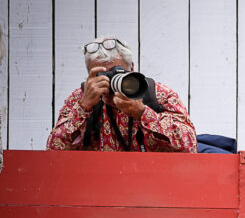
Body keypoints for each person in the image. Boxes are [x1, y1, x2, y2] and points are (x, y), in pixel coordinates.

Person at [48, 37, 196, 153]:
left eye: (115, 71)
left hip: (152, 182)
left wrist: (142, 113)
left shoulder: (158, 94)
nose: (110, 80)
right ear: (90, 76)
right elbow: (53, 150)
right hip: (98, 183)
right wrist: (83, 107)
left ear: (131, 68)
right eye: (102, 74)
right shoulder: (79, 98)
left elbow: (189, 145)